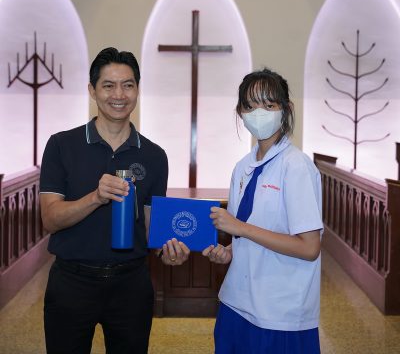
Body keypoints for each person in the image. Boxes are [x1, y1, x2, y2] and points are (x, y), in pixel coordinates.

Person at [40, 47, 189, 354]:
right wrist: (95, 197)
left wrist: (168, 250)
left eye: (128, 85)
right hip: (71, 282)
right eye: (108, 85)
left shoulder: (154, 156)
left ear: (137, 90)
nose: (119, 95)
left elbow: (151, 227)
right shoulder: (61, 145)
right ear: (92, 90)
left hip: (131, 284)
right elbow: (50, 219)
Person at [202, 68, 323, 354]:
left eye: (269, 105)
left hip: (280, 310)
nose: (259, 113)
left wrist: (240, 228)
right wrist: (229, 251)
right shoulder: (243, 167)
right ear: (240, 112)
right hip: (236, 301)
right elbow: (248, 233)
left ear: (286, 109)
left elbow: (309, 248)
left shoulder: (296, 166)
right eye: (250, 106)